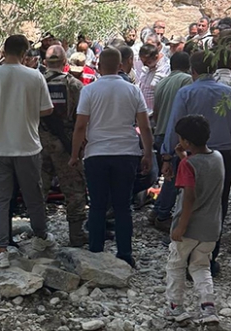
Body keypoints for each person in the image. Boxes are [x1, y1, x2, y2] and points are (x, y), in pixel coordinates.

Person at [0, 34, 57, 268]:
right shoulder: (34, 76)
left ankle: (1, 249)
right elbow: (47, 110)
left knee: (0, 198)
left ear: (3, 52)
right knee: (34, 195)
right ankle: (41, 236)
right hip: (28, 146)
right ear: (24, 53)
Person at [69, 48, 154, 268]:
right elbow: (144, 126)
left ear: (98, 66)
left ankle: (96, 252)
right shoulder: (133, 90)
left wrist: (74, 154)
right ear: (121, 65)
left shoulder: (89, 91)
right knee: (123, 205)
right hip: (126, 152)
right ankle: (125, 253)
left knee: (97, 205)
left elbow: (80, 126)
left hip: (96, 153)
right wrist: (147, 154)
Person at [161, 51, 231, 276]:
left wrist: (167, 156)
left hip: (192, 153)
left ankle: (186, 256)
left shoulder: (186, 93)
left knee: (188, 202)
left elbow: (174, 126)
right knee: (217, 207)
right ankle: (208, 258)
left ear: (192, 71)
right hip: (222, 156)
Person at [163, 115, 223, 325]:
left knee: (176, 265)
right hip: (211, 227)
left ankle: (175, 307)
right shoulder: (217, 157)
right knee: (201, 266)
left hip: (188, 227)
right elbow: (202, 171)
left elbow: (189, 196)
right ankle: (208, 307)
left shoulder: (188, 166)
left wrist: (181, 225)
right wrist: (184, 156)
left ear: (186, 141)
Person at [40, 45, 88, 247]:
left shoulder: (36, 84)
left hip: (39, 141)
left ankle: (39, 235)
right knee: (74, 190)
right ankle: (76, 235)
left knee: (38, 190)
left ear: (45, 63)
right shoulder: (75, 85)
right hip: (67, 142)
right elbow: (82, 117)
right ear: (65, 63)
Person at [148, 52, 193, 235]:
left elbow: (156, 111)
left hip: (160, 132)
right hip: (175, 135)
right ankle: (163, 215)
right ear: (188, 65)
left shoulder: (161, 83)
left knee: (168, 176)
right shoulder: (187, 81)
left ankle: (158, 210)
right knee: (174, 179)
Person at [137, 43, 170, 116]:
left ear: (156, 57)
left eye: (147, 62)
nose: (145, 65)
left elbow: (155, 85)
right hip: (144, 111)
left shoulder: (164, 68)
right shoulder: (149, 67)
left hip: (156, 113)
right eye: (143, 62)